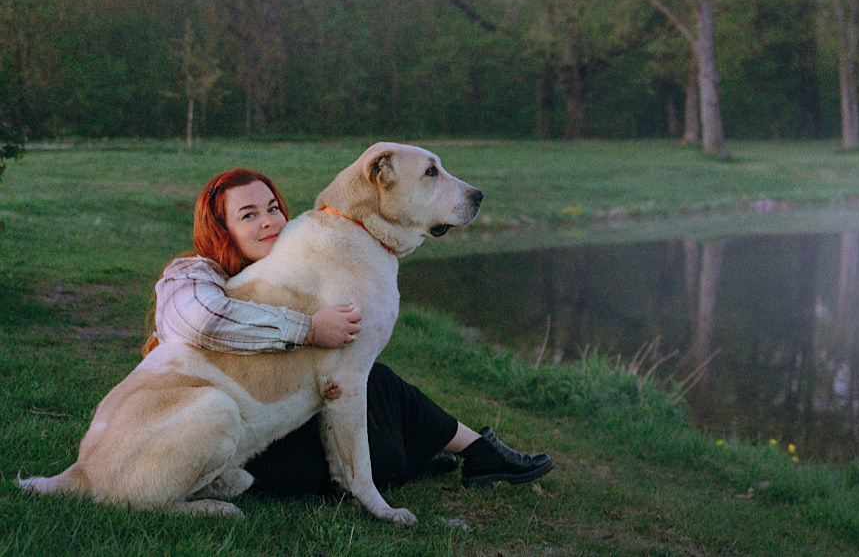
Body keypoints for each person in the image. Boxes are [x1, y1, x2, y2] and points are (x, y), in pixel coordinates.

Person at [145, 167, 554, 500]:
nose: (269, 221)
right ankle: (425, 451)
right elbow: (201, 322)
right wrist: (308, 329)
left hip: (283, 406)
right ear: (221, 230)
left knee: (368, 371)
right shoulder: (195, 274)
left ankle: (474, 450)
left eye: (273, 207)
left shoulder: (290, 269)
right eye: (249, 215)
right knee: (385, 456)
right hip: (231, 430)